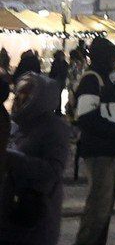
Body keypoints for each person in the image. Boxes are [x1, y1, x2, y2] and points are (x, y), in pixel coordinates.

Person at [69, 37, 115, 245]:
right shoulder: (91, 79)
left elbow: (112, 97)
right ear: (104, 58)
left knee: (103, 209)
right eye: (112, 58)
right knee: (97, 209)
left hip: (106, 149)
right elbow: (85, 117)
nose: (114, 62)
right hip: (99, 151)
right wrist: (114, 131)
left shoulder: (101, 78)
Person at [2, 73, 70, 245]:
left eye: (25, 96)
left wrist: (11, 159)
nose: (18, 101)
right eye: (17, 95)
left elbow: (53, 170)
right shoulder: (16, 126)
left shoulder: (54, 128)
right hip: (10, 210)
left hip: (34, 212)